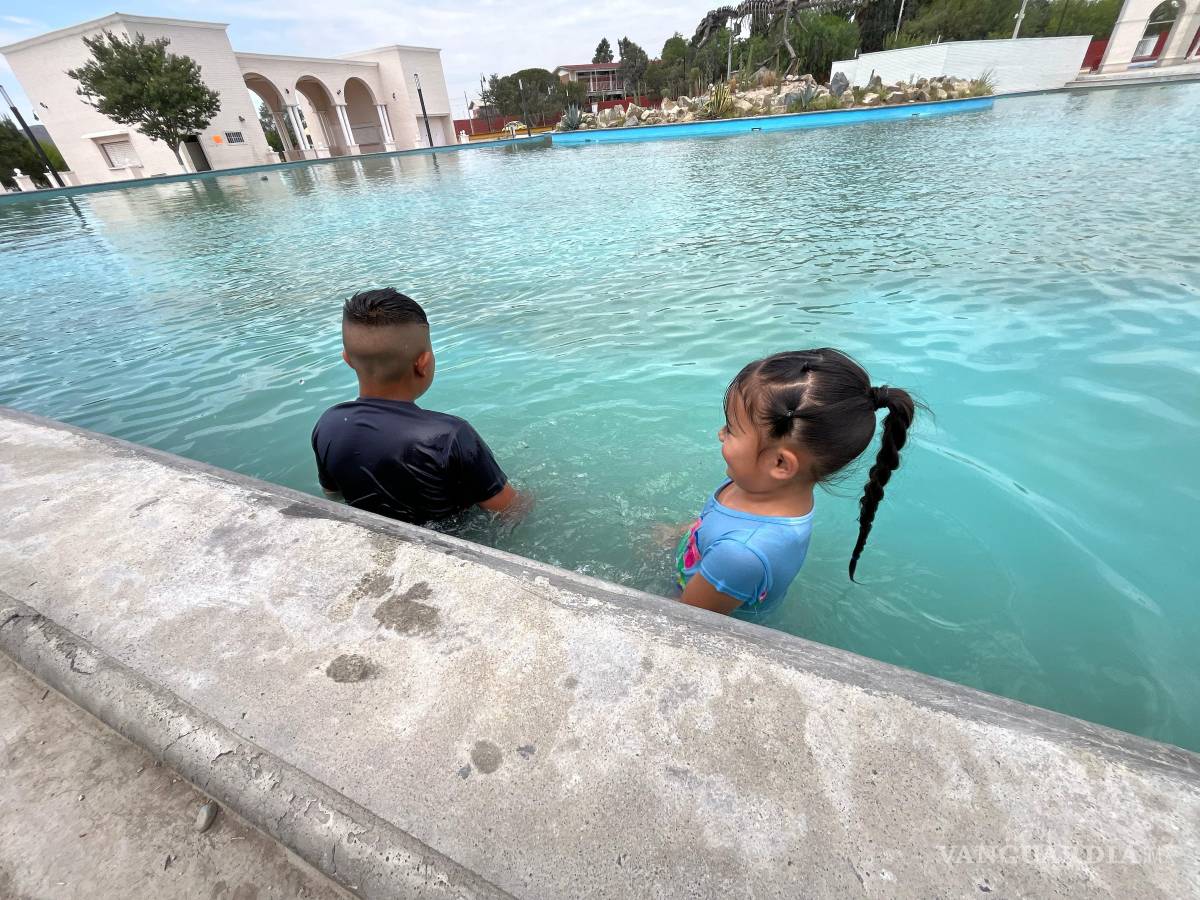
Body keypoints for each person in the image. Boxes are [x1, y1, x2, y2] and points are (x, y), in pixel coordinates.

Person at [676, 348, 917, 616]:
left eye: (731, 429)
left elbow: (685, 620)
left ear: (780, 464)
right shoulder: (758, 482)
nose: (720, 434)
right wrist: (675, 535)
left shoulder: (740, 554)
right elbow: (711, 525)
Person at [311, 288, 526, 525]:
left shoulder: (329, 424)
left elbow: (333, 494)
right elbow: (510, 511)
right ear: (423, 363)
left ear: (347, 359)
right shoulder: (450, 436)